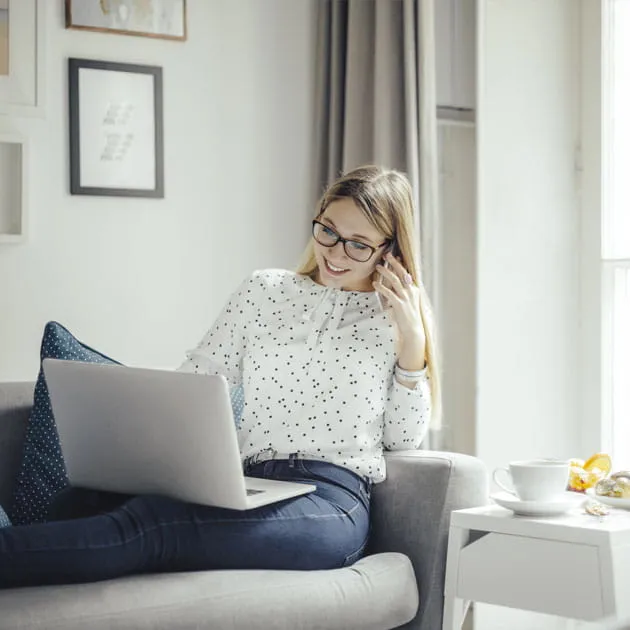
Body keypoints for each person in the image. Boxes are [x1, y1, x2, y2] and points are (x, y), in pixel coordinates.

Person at [0, 165, 439, 588]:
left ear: (390, 249)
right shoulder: (265, 291)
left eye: (358, 244)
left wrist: (412, 345)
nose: (335, 252)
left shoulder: (396, 321)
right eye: (328, 230)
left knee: (155, 526)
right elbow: (195, 381)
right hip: (249, 480)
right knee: (84, 501)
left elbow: (402, 439)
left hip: (330, 501)